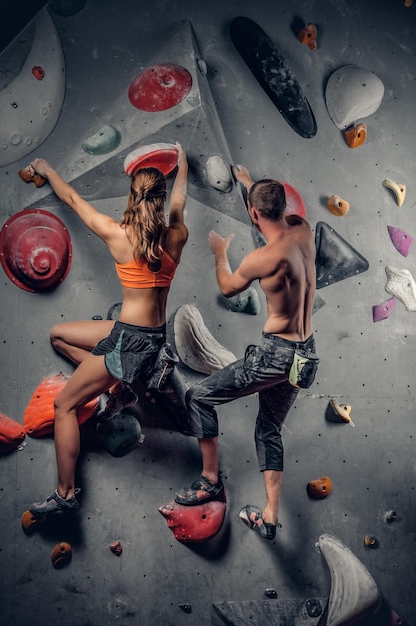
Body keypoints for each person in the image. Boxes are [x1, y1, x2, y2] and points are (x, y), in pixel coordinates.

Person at [28, 142, 189, 516]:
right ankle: (116, 387)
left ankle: (65, 495)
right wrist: (183, 166)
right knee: (59, 334)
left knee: (63, 405)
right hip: (145, 339)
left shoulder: (118, 234)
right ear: (161, 200)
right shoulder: (176, 237)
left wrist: (47, 168)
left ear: (132, 196)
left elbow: (72, 199)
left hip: (127, 344)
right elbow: (180, 201)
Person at [175, 164, 318, 540]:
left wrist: (220, 252)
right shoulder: (303, 230)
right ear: (284, 208)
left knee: (199, 396)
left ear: (254, 214)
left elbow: (227, 287)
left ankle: (209, 480)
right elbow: (275, 211)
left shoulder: (262, 259)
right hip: (306, 355)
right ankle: (269, 516)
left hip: (276, 355)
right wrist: (251, 185)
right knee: (268, 426)